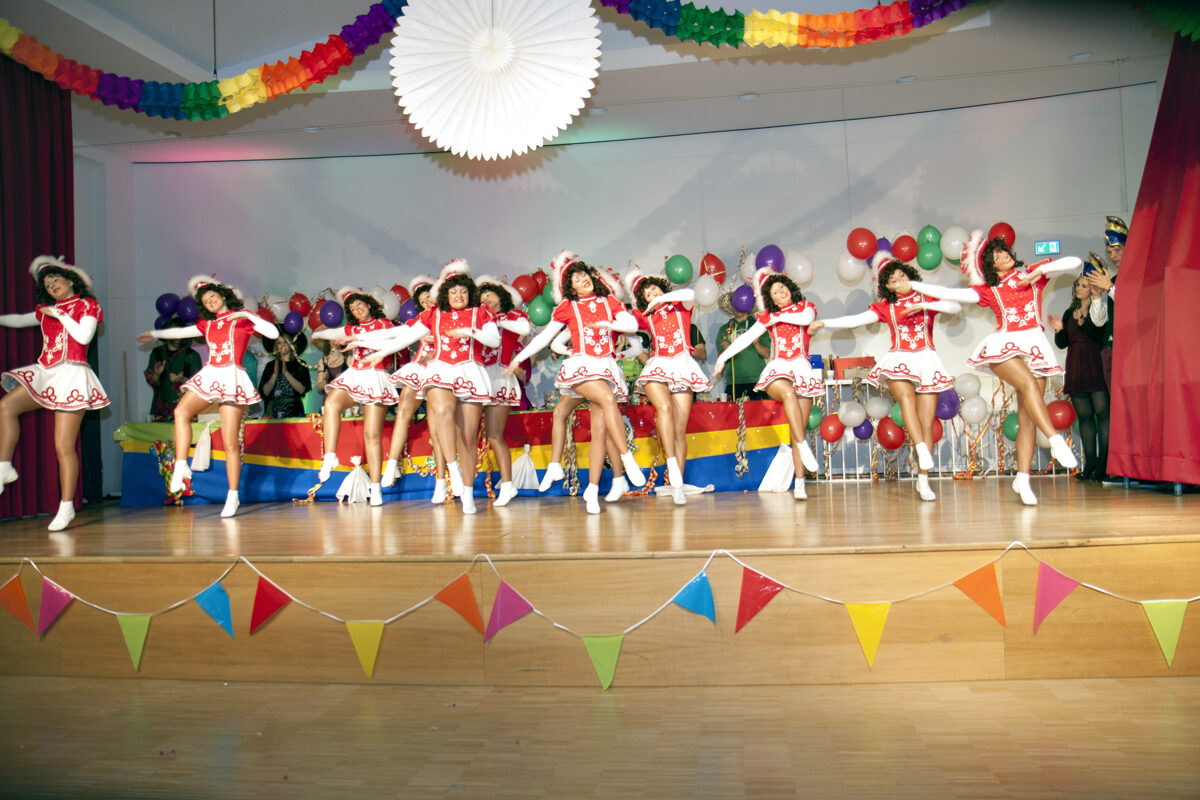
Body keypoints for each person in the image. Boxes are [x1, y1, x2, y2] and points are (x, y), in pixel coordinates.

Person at [910, 232, 1080, 506]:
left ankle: (1022, 479)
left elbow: (1074, 262)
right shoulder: (989, 290)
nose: (1003, 256)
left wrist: (1040, 272)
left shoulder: (1032, 274)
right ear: (990, 267)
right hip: (1005, 343)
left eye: (1003, 251)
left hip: (1035, 345)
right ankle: (1055, 440)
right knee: (1027, 384)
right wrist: (914, 286)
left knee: (1027, 418)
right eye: (995, 256)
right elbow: (952, 293)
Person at [809, 255, 960, 501]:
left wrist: (924, 303)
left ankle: (923, 480)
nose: (900, 281)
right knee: (906, 399)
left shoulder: (927, 299)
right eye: (893, 280)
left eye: (903, 276)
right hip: (899, 358)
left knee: (926, 421)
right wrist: (824, 322)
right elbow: (855, 320)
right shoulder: (887, 307)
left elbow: (955, 307)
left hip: (926, 360)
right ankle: (921, 448)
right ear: (888, 286)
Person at [505, 252, 646, 514]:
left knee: (600, 432)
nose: (583, 281)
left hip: (605, 367)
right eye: (577, 280)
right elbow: (545, 338)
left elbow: (630, 324)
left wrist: (613, 323)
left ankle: (592, 489)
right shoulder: (568, 307)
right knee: (603, 399)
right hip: (580, 366)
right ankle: (628, 460)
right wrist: (519, 358)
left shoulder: (609, 301)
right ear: (571, 289)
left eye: (584, 276)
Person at [357, 260, 498, 514]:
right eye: (453, 291)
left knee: (467, 438)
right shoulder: (434, 314)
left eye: (463, 291)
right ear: (445, 294)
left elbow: (494, 340)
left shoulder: (481, 313)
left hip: (470, 370)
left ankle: (467, 492)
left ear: (470, 293)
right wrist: (381, 353)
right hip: (441, 368)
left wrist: (470, 332)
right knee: (442, 411)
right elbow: (404, 336)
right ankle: (452, 468)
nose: (458, 295)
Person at [137, 275, 279, 518]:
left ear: (223, 295)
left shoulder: (242, 319)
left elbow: (273, 333)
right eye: (205, 300)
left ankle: (232, 495)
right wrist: (154, 333)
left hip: (232, 376)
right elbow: (182, 331)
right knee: (181, 411)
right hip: (212, 374)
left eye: (212, 296)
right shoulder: (207, 325)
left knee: (230, 441)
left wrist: (246, 315)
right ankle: (181, 465)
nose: (210, 301)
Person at [0, 256, 110, 531]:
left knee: (63, 445)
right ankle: (4, 466)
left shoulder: (88, 305)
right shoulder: (46, 310)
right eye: (47, 285)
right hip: (47, 372)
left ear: (71, 280)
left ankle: (66, 506)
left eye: (55, 280)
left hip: (72, 375)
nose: (51, 286)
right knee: (6, 406)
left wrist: (60, 314)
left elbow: (84, 337)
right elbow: (19, 320)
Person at [713, 270, 822, 500]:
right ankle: (803, 445)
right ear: (770, 299)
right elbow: (744, 339)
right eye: (775, 292)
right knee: (788, 394)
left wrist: (778, 317)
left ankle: (799, 482)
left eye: (782, 287)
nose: (781, 292)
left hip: (802, 369)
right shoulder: (767, 317)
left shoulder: (806, 307)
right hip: (778, 368)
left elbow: (805, 320)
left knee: (797, 430)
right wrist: (723, 358)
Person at [625, 268, 713, 505]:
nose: (652, 293)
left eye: (654, 288)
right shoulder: (647, 316)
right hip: (658, 365)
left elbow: (690, 294)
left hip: (682, 366)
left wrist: (660, 299)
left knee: (679, 432)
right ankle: (671, 464)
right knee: (663, 408)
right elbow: (627, 321)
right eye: (647, 293)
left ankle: (678, 485)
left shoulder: (681, 306)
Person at [311, 287, 399, 506]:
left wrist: (358, 340)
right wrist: (319, 334)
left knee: (371, 435)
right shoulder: (352, 328)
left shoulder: (384, 324)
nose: (357, 309)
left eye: (359, 304)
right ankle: (330, 456)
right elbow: (336, 333)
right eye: (352, 308)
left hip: (376, 375)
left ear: (369, 304)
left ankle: (375, 488)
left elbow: (387, 344)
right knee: (331, 403)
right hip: (355, 374)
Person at [378, 276, 448, 499]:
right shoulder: (419, 321)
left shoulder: (447, 317)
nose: (426, 302)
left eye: (429, 296)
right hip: (418, 369)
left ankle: (441, 482)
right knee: (403, 413)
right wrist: (358, 338)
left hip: (440, 371)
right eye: (422, 300)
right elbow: (393, 335)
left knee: (437, 430)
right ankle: (391, 463)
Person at [1049, 260, 1109, 481]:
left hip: (1095, 363)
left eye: (1084, 285)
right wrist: (1059, 330)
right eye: (1077, 285)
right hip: (1076, 366)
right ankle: (1090, 463)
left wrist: (1083, 321)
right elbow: (1063, 343)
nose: (1079, 288)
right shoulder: (1069, 313)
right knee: (1084, 417)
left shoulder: (1099, 308)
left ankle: (1104, 464)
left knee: (1102, 414)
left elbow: (1098, 334)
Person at [476, 275, 531, 507]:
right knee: (467, 434)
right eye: (482, 296)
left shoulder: (513, 317)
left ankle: (508, 485)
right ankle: (460, 483)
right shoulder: (477, 318)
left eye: (489, 294)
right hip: (476, 376)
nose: (485, 298)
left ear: (501, 296)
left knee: (494, 435)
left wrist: (495, 319)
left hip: (499, 377)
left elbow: (524, 328)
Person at [1087, 215, 1124, 390]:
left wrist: (1109, 288)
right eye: (1109, 252)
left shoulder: (1140, 276)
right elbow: (1099, 321)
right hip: (1110, 349)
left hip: (1130, 350)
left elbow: (1132, 305)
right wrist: (1096, 296)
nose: (1113, 256)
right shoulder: (1114, 280)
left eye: (1117, 250)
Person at [144, 319, 201, 422]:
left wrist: (182, 379)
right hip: (161, 410)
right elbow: (153, 382)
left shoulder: (191, 355)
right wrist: (157, 374)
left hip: (185, 408)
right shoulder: (157, 353)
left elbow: (199, 387)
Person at [716, 301, 769, 401]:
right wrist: (725, 352)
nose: (738, 307)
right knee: (734, 411)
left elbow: (767, 354)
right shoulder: (724, 329)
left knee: (759, 411)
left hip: (757, 380)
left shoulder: (758, 326)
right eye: (735, 303)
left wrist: (756, 344)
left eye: (741, 303)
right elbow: (720, 359)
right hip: (734, 382)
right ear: (731, 306)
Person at [258, 331, 311, 419]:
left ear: (291, 345)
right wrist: (275, 374)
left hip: (294, 411)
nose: (282, 345)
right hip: (272, 412)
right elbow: (265, 392)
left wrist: (286, 373)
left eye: (285, 342)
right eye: (279, 343)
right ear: (276, 346)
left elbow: (302, 390)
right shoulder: (270, 366)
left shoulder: (300, 364)